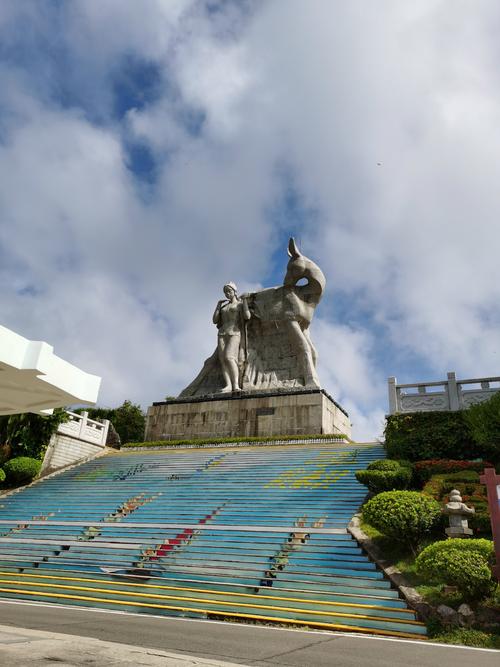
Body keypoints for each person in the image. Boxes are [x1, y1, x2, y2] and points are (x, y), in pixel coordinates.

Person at [213, 282, 251, 392]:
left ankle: (236, 385)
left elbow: (247, 316)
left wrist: (244, 302)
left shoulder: (239, 304)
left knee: (229, 357)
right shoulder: (224, 307)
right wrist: (218, 306)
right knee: (223, 360)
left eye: (229, 291)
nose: (227, 294)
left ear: (235, 291)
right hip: (222, 333)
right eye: (225, 292)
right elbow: (215, 320)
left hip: (235, 332)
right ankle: (228, 385)